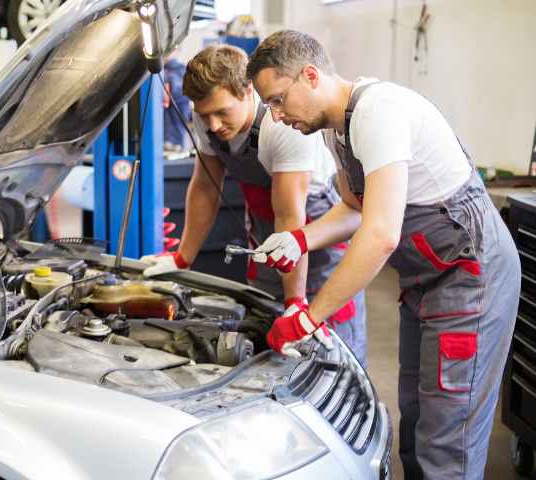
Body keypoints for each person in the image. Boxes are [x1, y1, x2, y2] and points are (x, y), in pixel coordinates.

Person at [246, 30, 519, 479]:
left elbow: (379, 235)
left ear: (310, 76)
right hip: (427, 281)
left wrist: (310, 315)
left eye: (278, 100)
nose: (275, 117)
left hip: (471, 278)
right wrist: (301, 239)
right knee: (414, 418)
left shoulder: (379, 112)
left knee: (446, 438)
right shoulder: (338, 128)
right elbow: (356, 208)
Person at [140, 44, 367, 364]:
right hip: (265, 236)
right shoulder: (206, 116)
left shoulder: (282, 128)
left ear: (248, 91)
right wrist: (182, 257)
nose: (214, 125)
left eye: (222, 112)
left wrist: (296, 301)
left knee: (330, 352)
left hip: (313, 240)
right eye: (205, 115)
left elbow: (290, 216)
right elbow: (206, 187)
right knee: (265, 335)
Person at [162, 54, 191, 152]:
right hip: (166, 134)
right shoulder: (164, 71)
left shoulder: (177, 72)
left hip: (173, 137)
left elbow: (178, 93)